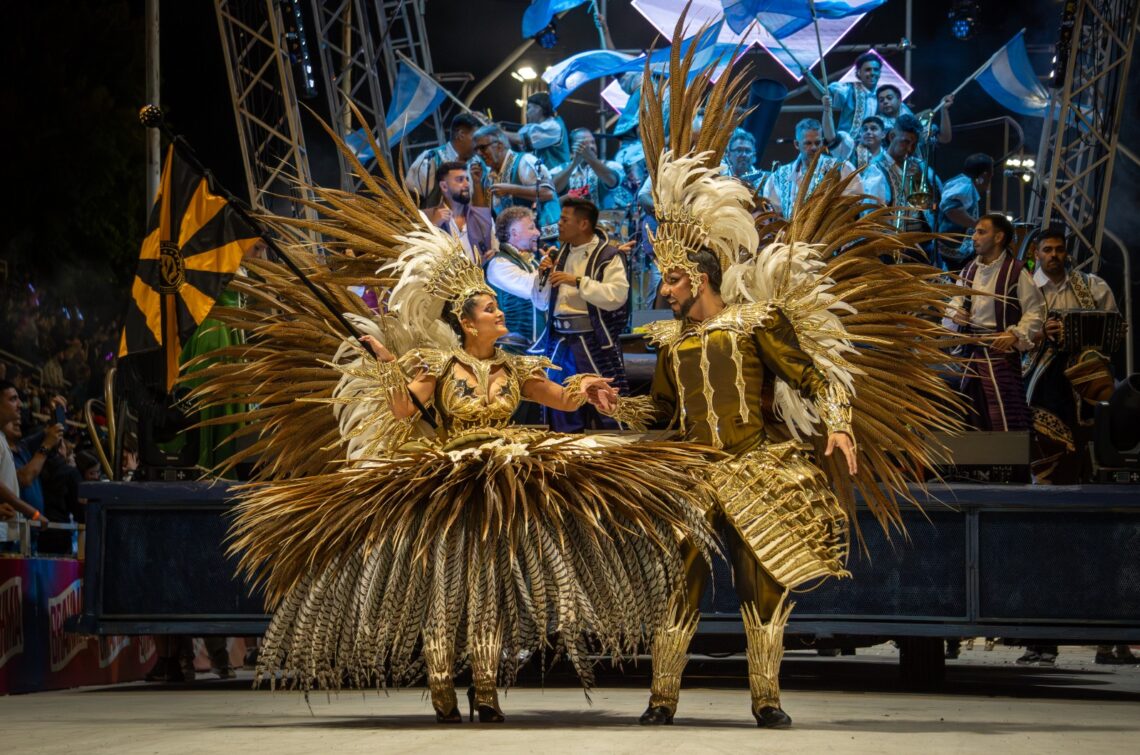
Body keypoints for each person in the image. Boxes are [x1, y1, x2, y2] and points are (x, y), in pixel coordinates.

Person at [188, 128, 722, 724]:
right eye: (490, 308)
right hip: (449, 485)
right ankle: (443, 682)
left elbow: (558, 397)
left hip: (503, 482)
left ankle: (486, 689)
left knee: (490, 592)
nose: (499, 312)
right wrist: (386, 364)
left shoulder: (516, 367)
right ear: (468, 324)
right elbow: (403, 412)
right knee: (448, 591)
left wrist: (588, 391)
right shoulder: (439, 367)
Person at [631, 36, 965, 729]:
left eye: (670, 280)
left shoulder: (757, 323)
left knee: (762, 582)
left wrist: (839, 424)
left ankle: (766, 697)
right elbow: (660, 414)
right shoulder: (671, 343)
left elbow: (817, 376)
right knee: (678, 580)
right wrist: (611, 409)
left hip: (754, 466)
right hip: (695, 472)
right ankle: (662, 698)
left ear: (697, 277)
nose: (662, 291)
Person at [1025, 228, 1120, 482]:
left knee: (1098, 378)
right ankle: (1047, 472)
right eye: (1047, 250)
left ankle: (1084, 466)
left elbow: (1113, 325)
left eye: (1059, 249)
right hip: (1038, 365)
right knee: (1048, 389)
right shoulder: (1025, 287)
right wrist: (1041, 333)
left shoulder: (1092, 285)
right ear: (1036, 253)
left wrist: (1106, 335)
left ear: (1066, 253)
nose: (1054, 255)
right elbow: (1014, 333)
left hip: (1084, 364)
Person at [531, 197, 630, 432]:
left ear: (583, 224)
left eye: (564, 220)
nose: (559, 224)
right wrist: (542, 276)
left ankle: (612, 449)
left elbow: (617, 296)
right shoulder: (557, 255)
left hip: (593, 342)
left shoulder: (608, 255)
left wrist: (577, 281)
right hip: (560, 341)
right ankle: (564, 446)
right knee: (559, 402)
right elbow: (541, 302)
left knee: (606, 401)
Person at [944, 214, 1046, 431]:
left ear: (998, 237)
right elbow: (954, 302)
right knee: (971, 417)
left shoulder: (1016, 272)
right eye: (975, 232)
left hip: (1000, 358)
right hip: (971, 355)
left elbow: (1036, 311)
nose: (974, 237)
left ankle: (1008, 454)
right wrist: (955, 313)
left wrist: (1015, 334)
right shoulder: (969, 270)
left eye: (981, 232)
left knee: (1007, 416)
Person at [472, 124, 560, 241]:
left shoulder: (525, 161)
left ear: (499, 145)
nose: (479, 153)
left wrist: (510, 189)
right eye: (476, 150)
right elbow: (483, 215)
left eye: (482, 147)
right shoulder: (488, 177)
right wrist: (476, 183)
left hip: (544, 240)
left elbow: (548, 193)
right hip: (515, 244)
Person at [764, 118, 862, 219]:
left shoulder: (841, 168)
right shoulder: (780, 176)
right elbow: (773, 213)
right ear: (797, 144)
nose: (814, 148)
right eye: (808, 143)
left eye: (817, 143)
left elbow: (855, 202)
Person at [863, 114, 942, 234]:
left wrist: (921, 179)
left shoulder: (920, 166)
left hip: (922, 240)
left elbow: (935, 205)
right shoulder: (876, 169)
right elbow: (871, 214)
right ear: (892, 136)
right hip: (892, 241)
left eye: (914, 144)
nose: (910, 149)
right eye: (905, 142)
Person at [485, 206, 546, 349]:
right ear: (514, 233)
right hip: (514, 351)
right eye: (531, 228)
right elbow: (533, 289)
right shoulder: (499, 264)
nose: (537, 233)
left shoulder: (533, 262)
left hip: (539, 349)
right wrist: (547, 266)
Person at [404, 113, 482, 208]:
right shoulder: (431, 159)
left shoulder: (479, 164)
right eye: (476, 138)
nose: (479, 143)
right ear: (461, 135)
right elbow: (410, 201)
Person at [936, 154, 994, 270]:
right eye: (990, 175)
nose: (991, 179)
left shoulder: (963, 183)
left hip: (951, 253)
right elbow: (950, 208)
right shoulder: (965, 187)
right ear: (984, 175)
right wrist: (976, 224)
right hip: (947, 254)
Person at [428, 161, 493, 264]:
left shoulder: (481, 215)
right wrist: (433, 225)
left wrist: (494, 255)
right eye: (460, 180)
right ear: (444, 186)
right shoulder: (428, 218)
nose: (467, 184)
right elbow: (423, 256)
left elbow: (496, 248)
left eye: (467, 179)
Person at [551, 128, 622, 207]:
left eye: (593, 142)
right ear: (572, 150)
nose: (591, 146)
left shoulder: (611, 165)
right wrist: (574, 164)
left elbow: (612, 181)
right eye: (583, 144)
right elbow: (552, 189)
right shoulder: (560, 168)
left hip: (604, 214)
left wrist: (591, 159)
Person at [505, 92, 571, 170]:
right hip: (545, 175)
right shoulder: (535, 127)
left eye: (529, 108)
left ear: (538, 109)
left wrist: (498, 132)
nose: (526, 113)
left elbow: (521, 139)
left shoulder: (553, 126)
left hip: (557, 175)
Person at [827, 52, 882, 134]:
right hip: (848, 140)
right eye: (868, 70)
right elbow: (822, 95)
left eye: (876, 70)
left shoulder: (883, 95)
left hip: (873, 140)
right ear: (859, 72)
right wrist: (808, 76)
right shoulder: (848, 89)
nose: (872, 73)